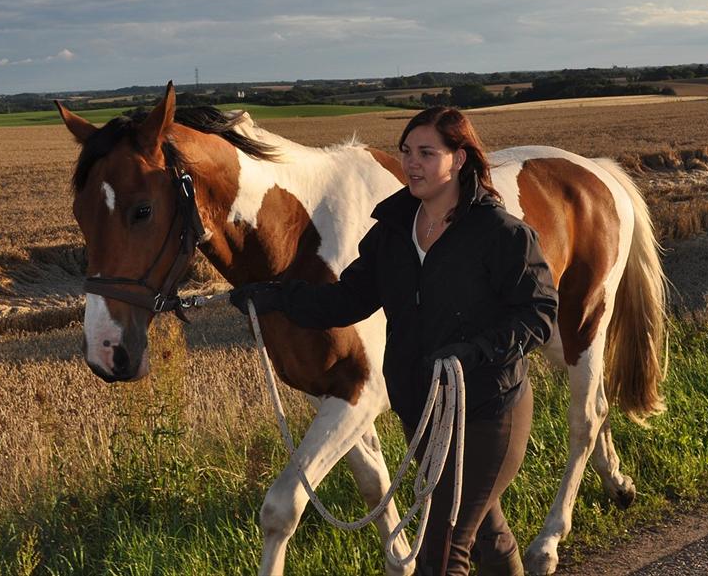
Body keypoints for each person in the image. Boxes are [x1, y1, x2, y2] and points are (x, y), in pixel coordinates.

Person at [230, 107, 559, 576]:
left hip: (489, 410)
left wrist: (473, 354)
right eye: (407, 152)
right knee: (487, 530)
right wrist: (278, 299)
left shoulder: (500, 234)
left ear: (460, 159)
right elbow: (348, 299)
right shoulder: (393, 233)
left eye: (427, 153)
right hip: (422, 408)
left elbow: (539, 312)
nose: (412, 163)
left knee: (442, 551)